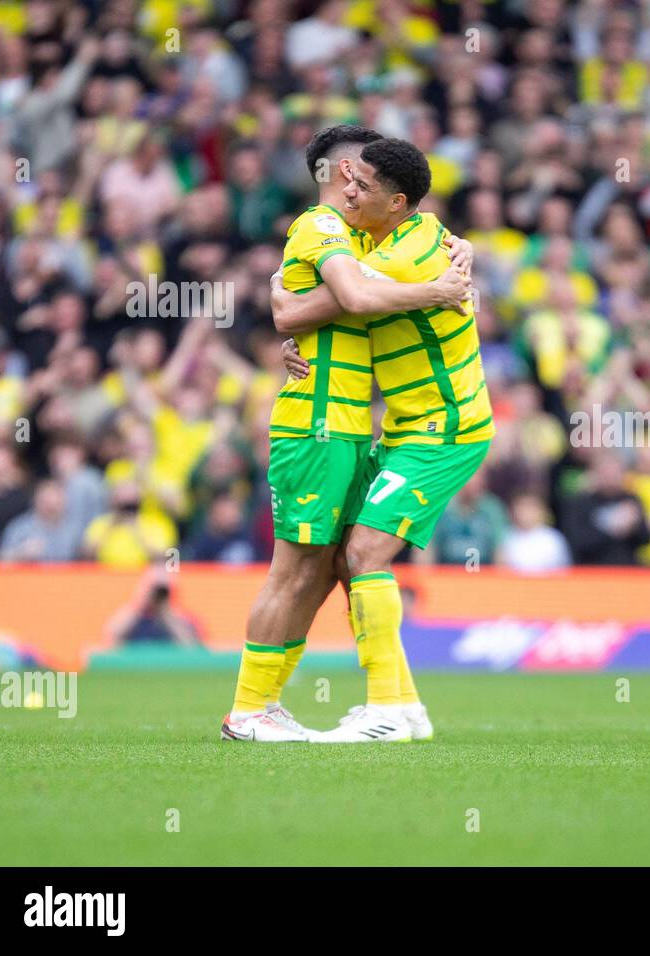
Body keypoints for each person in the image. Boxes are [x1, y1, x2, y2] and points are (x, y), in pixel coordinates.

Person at [222, 125, 473, 744]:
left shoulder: (370, 233)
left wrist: (456, 248)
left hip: (353, 426)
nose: (357, 182)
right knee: (296, 568)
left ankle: (357, 703)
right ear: (335, 172)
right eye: (354, 171)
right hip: (316, 422)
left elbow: (400, 250)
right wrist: (438, 286)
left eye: (369, 178)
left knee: (332, 563)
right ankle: (250, 710)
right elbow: (346, 299)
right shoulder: (320, 227)